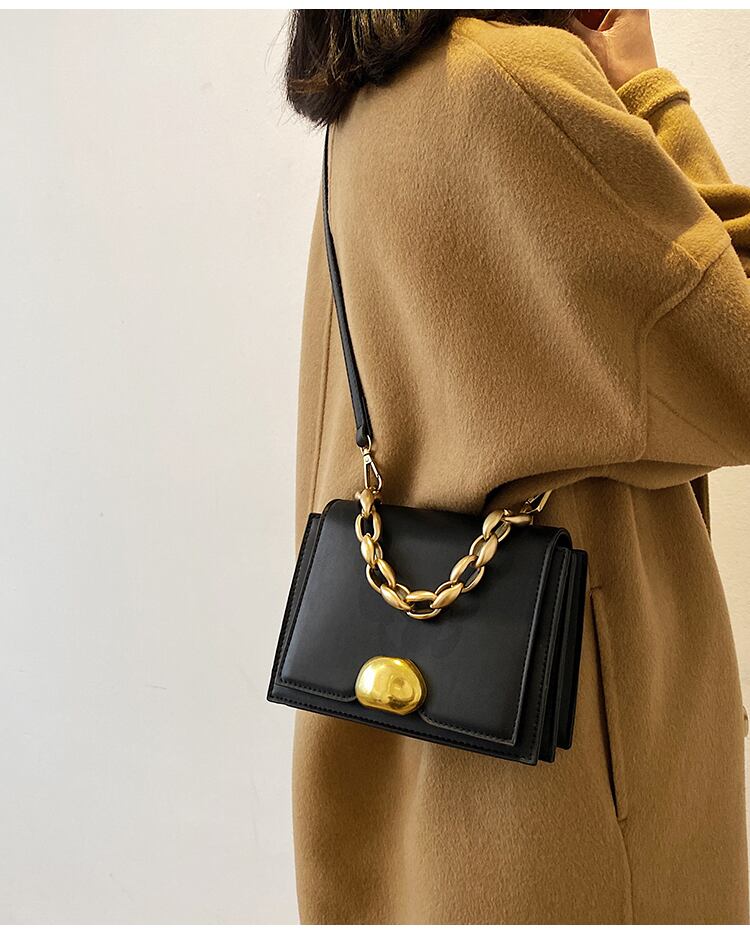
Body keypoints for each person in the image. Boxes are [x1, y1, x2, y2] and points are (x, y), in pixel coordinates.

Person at [283, 9, 750, 924]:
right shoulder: (517, 79)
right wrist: (651, 90)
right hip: (568, 786)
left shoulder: (367, 101)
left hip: (408, 764)